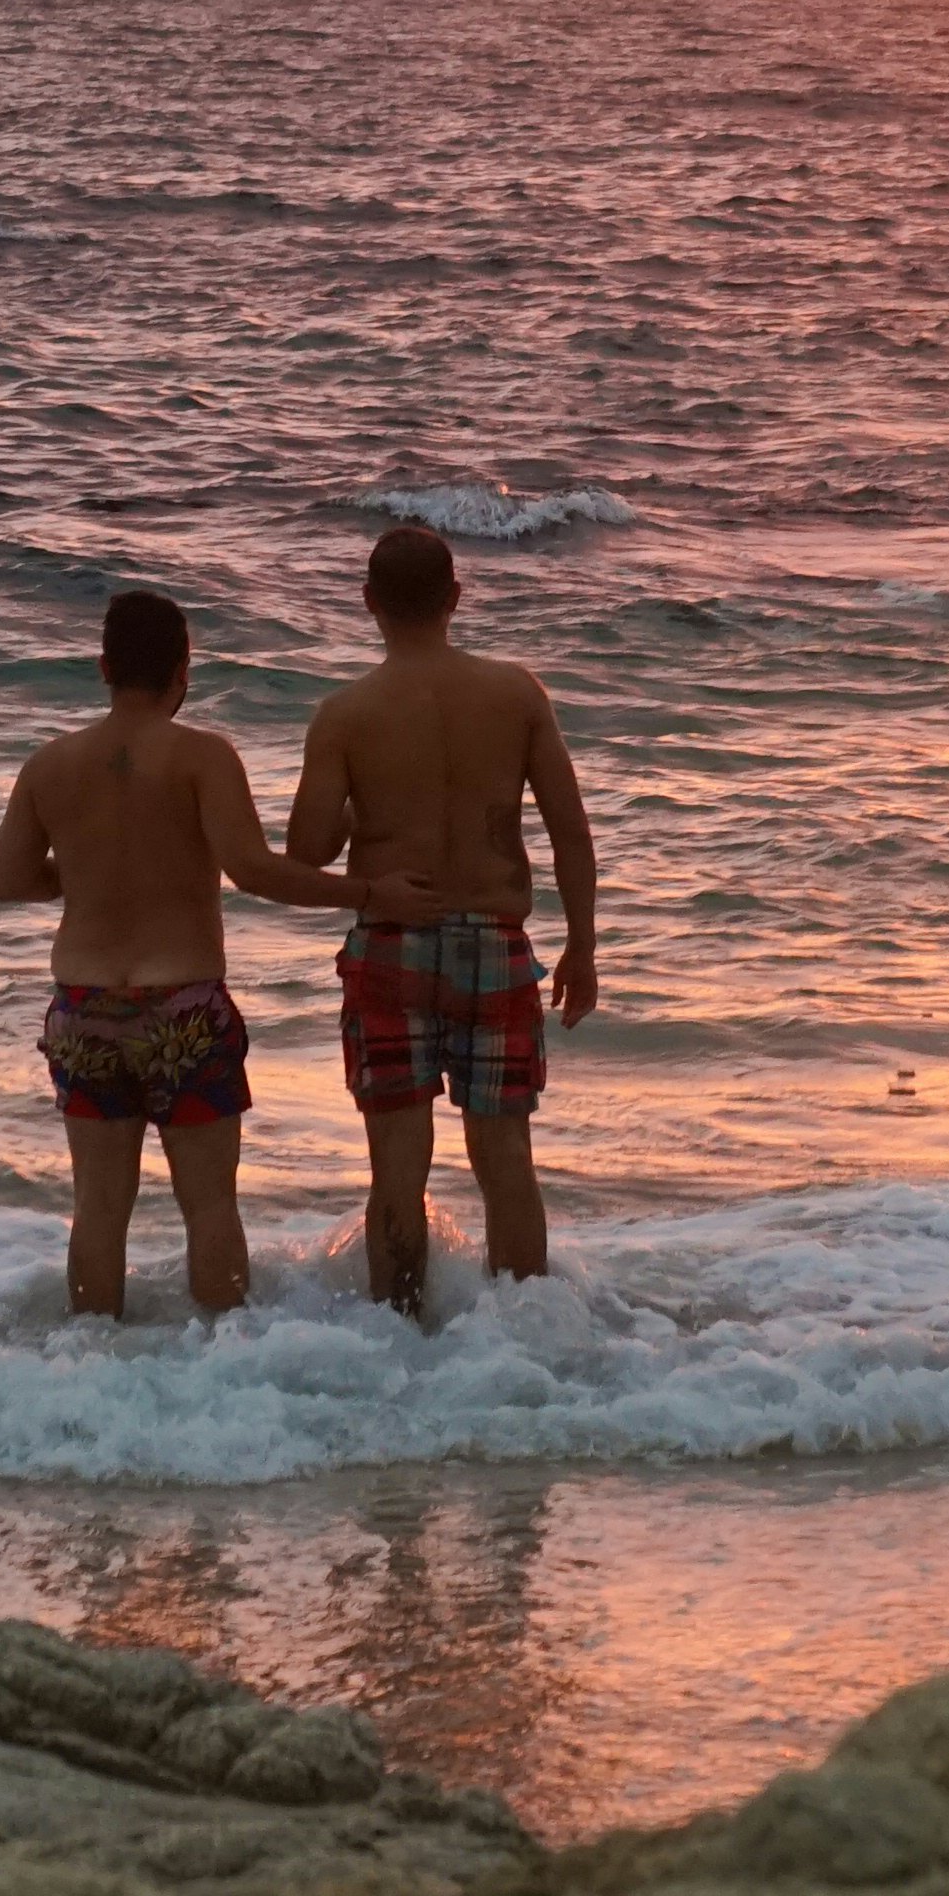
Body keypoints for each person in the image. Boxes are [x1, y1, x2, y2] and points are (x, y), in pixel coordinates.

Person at [0, 589, 431, 1319]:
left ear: (102, 667)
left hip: (84, 1010)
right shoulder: (202, 757)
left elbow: (9, 880)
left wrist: (92, 872)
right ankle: (223, 1368)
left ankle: (91, 1365)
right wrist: (367, 893)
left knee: (98, 1210)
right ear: (183, 673)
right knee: (209, 1207)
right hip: (183, 1010)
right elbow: (255, 870)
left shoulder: (50, 765)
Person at [287, 524, 599, 1316]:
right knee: (506, 1159)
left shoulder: (345, 713)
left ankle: (396, 1338)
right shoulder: (517, 693)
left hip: (391, 946)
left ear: (368, 605)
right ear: (457, 597)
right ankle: (529, 1337)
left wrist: (373, 805)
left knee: (397, 1165)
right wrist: (582, 950)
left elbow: (307, 849)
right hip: (497, 944)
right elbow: (570, 829)